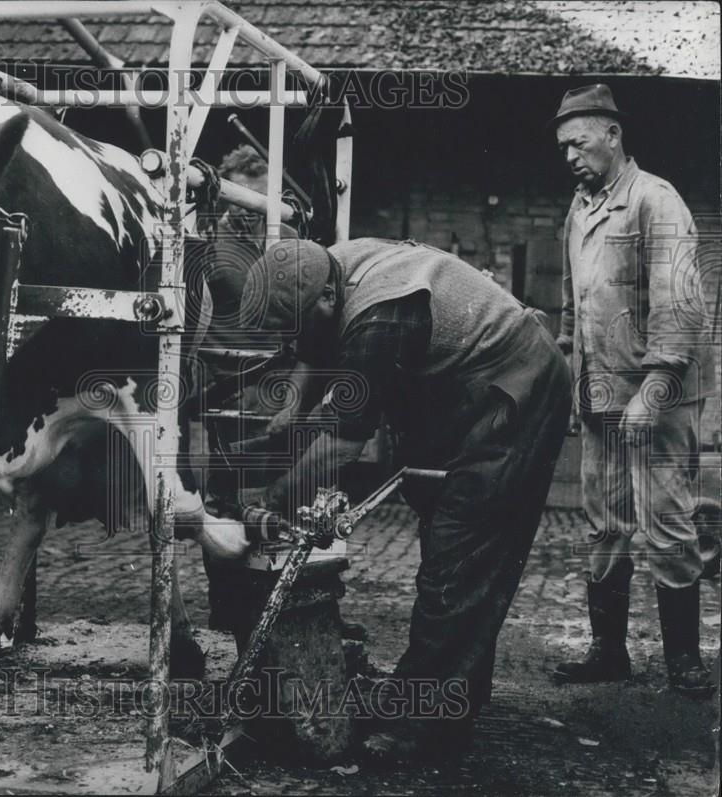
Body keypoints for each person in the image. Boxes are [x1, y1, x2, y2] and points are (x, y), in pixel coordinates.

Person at [237, 236, 571, 762]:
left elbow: (345, 443)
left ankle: (427, 724)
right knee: (448, 545)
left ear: (327, 300)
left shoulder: (379, 315)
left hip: (516, 384)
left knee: (460, 552)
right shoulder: (326, 265)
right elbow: (308, 348)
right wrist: (293, 411)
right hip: (466, 385)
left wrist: (273, 499)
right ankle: (447, 695)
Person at [549, 84, 717, 698]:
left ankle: (683, 662)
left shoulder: (655, 200)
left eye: (580, 142)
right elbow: (573, 307)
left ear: (613, 136)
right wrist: (575, 380)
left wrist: (656, 386)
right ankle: (608, 651)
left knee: (668, 522)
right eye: (563, 146)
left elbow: (683, 304)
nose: (570, 155)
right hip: (600, 396)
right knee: (604, 523)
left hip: (659, 395)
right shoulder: (579, 208)